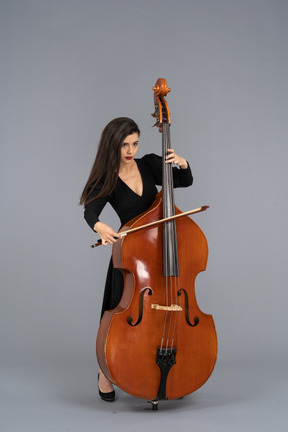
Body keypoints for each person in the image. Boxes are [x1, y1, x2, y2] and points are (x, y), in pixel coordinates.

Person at [80, 117, 193, 402]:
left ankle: (161, 373)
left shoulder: (149, 165)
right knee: (116, 313)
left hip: (162, 252)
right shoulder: (107, 179)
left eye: (135, 143)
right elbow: (90, 211)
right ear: (112, 146)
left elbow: (184, 181)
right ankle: (105, 372)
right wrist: (100, 227)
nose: (130, 150)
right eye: (124, 145)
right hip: (132, 258)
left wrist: (182, 163)